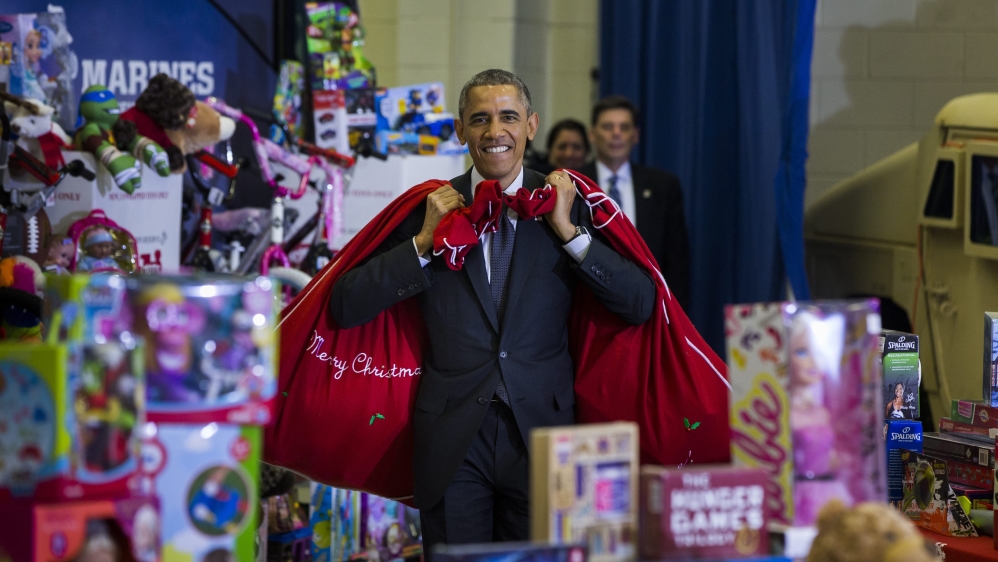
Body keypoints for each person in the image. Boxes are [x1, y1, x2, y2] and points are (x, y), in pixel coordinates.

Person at [329, 69, 655, 553]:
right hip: (453, 440)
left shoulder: (566, 203)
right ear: (460, 131)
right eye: (479, 119)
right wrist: (422, 242)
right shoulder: (428, 208)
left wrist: (570, 234)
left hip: (544, 437)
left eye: (507, 117)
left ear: (531, 125)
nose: (493, 131)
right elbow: (346, 305)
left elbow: (639, 303)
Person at [579, 96, 691, 309]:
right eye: (608, 126)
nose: (616, 134)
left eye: (624, 127)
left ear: (635, 135)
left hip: (647, 306)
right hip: (587, 307)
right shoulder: (575, 184)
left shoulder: (663, 186)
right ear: (592, 134)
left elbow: (676, 260)